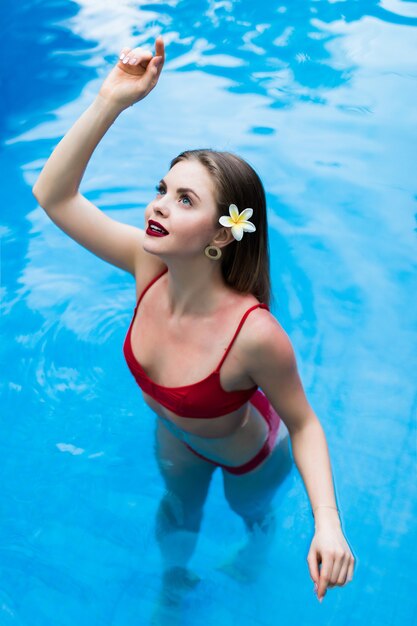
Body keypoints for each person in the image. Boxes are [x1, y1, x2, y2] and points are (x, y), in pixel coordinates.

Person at [32, 35, 355, 607]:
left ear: (222, 233)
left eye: (185, 200)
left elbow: (303, 423)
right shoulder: (146, 264)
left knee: (251, 517)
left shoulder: (254, 335)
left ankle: (254, 557)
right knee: (177, 514)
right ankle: (172, 589)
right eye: (162, 189)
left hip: (248, 456)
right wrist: (111, 99)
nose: (158, 203)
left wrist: (327, 523)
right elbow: (54, 196)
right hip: (174, 436)